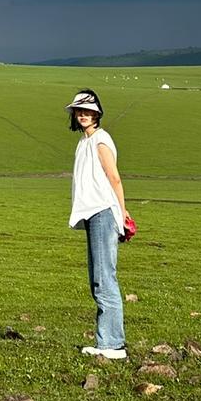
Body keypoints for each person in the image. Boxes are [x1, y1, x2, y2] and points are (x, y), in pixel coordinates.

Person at [67, 88, 130, 359]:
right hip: (93, 213)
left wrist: (123, 213)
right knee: (97, 278)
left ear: (97, 114)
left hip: (104, 211)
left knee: (104, 278)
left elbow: (114, 177)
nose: (83, 115)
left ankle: (112, 344)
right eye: (79, 111)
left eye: (88, 111)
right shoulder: (84, 142)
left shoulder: (101, 140)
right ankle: (107, 341)